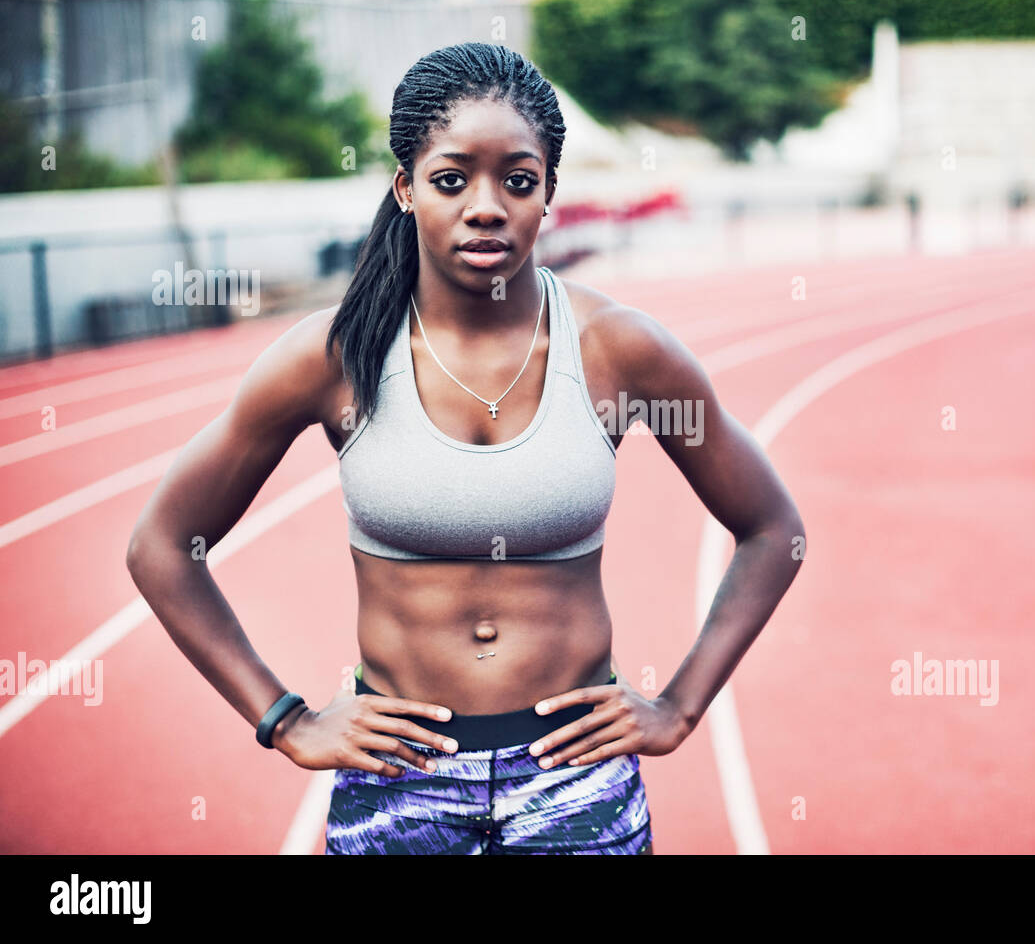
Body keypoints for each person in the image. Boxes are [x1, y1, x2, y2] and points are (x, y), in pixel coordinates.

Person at [125, 42, 806, 855]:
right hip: (398, 779)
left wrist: (681, 706)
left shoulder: (619, 351)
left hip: (574, 777)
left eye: (518, 180)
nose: (487, 207)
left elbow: (773, 530)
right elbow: (161, 545)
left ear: (549, 193)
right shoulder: (333, 358)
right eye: (452, 179)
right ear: (406, 186)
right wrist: (284, 719)